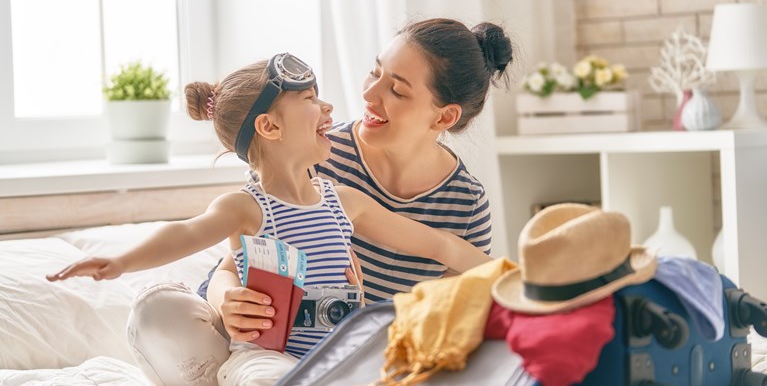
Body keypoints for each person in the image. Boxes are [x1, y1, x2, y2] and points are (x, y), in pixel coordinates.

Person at [46, 52, 493, 386]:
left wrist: (516, 276)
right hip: (266, 356)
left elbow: (439, 245)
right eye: (311, 99)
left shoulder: (344, 201)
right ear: (270, 128)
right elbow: (185, 233)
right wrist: (120, 263)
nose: (330, 109)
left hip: (339, 355)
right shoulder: (248, 207)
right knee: (257, 374)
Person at [206, 17, 514, 347]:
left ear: (444, 117)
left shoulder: (465, 203)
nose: (368, 93)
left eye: (396, 90)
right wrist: (227, 300)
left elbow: (450, 317)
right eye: (375, 71)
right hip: (276, 342)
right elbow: (229, 270)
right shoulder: (313, 154)